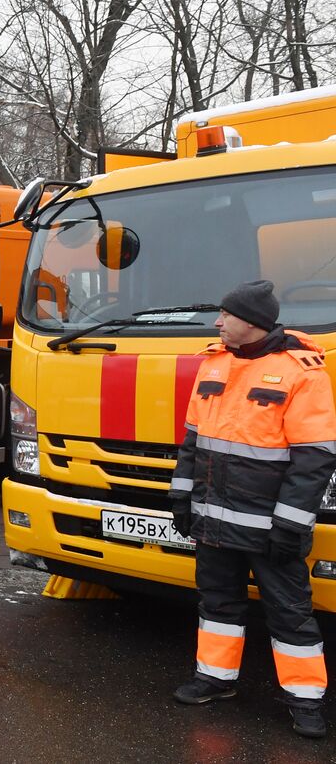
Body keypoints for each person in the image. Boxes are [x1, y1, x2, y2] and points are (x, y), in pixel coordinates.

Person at [168, 280, 336, 740]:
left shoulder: (303, 373)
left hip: (269, 528)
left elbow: (314, 460)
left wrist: (290, 524)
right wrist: (180, 498)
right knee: (217, 603)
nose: (218, 322)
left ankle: (306, 701)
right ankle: (215, 680)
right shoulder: (214, 363)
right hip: (214, 520)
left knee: (289, 613)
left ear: (253, 322)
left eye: (226, 315)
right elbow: (192, 442)